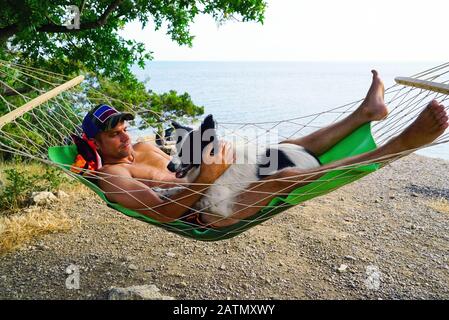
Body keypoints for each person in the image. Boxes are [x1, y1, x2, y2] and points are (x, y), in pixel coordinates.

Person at [82, 71, 448, 228]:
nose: (125, 137)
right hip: (204, 212)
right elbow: (163, 213)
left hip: (212, 181)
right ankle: (397, 147)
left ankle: (365, 113)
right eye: (114, 135)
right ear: (96, 144)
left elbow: (183, 163)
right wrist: (207, 174)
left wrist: (206, 155)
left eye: (124, 128)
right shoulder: (114, 176)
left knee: (283, 148)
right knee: (286, 176)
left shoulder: (143, 145)